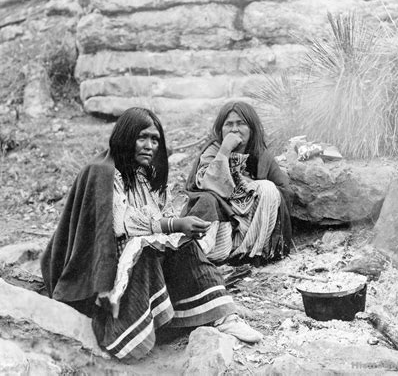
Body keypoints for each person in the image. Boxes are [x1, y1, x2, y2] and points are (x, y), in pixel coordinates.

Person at [40, 107, 262, 362]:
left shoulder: (141, 174)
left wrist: (177, 229)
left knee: (185, 246)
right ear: (125, 137)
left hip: (130, 253)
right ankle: (135, 326)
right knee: (146, 250)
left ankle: (222, 314)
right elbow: (122, 224)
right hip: (96, 272)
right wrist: (173, 225)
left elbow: (154, 216)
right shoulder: (102, 171)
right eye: (142, 137)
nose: (149, 146)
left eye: (155, 139)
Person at [183, 101, 293, 267]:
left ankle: (252, 253)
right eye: (229, 124)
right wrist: (224, 152)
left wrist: (252, 186)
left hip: (250, 226)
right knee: (208, 200)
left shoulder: (261, 156)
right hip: (221, 223)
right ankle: (203, 259)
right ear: (221, 130)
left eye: (240, 123)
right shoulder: (212, 151)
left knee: (268, 188)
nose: (234, 129)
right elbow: (206, 185)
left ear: (251, 129)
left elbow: (285, 192)